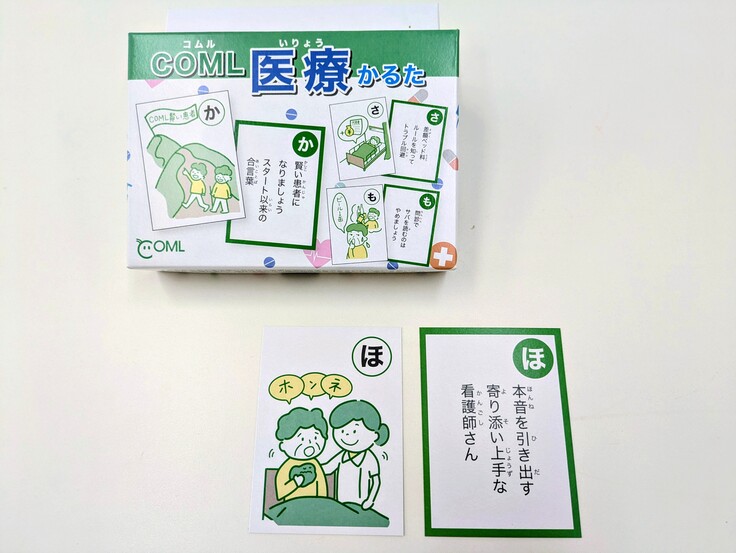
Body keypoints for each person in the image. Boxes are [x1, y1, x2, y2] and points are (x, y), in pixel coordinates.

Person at [322, 400, 389, 510]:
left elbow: (376, 481)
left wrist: (370, 500)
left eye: (354, 431)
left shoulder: (369, 459)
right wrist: (313, 465)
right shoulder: (342, 456)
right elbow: (327, 468)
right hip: (341, 503)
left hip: (361, 505)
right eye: (342, 431)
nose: (347, 436)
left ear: (375, 435)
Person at [274, 407, 329, 502]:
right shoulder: (287, 466)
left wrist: (322, 504)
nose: (310, 443)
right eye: (302, 439)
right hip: (291, 505)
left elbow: (322, 487)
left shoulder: (315, 464)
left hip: (313, 505)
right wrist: (295, 482)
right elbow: (280, 493)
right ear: (283, 445)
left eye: (315, 438)